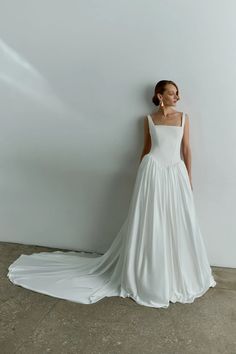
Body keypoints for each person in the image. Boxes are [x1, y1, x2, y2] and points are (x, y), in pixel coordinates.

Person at [7, 80, 216, 308]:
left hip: (175, 172)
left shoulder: (184, 118)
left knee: (178, 219)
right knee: (150, 220)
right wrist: (140, 176)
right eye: (172, 93)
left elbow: (186, 149)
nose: (177, 97)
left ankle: (176, 272)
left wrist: (189, 176)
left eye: (177, 93)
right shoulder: (148, 119)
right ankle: (148, 272)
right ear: (160, 95)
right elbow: (146, 149)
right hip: (152, 172)